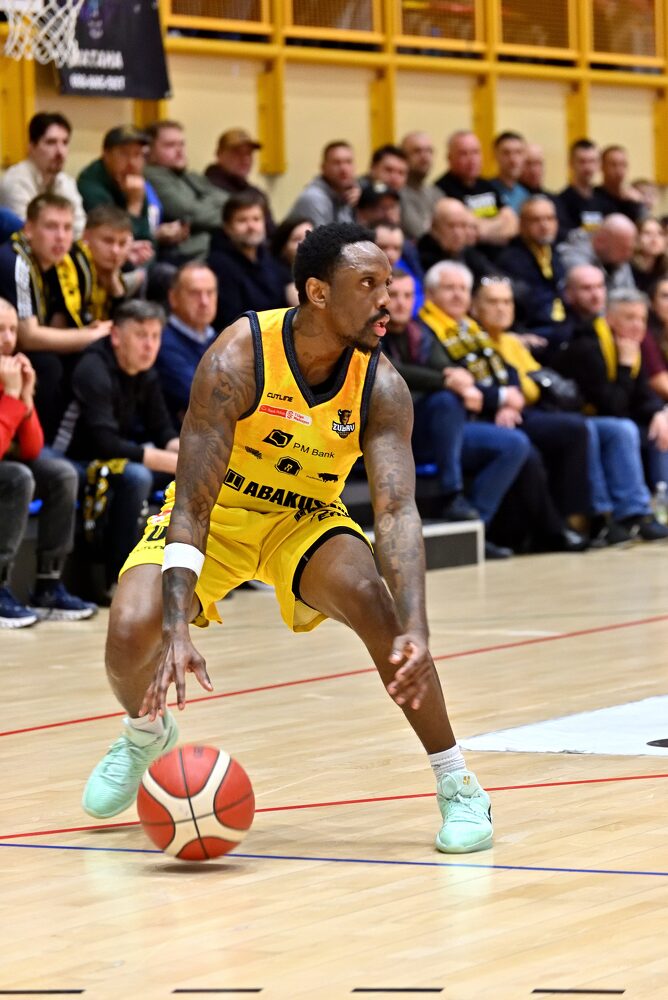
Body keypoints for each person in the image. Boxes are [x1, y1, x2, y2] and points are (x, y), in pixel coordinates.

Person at [81, 222, 494, 856]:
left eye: (388, 284)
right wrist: (177, 623)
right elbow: (191, 501)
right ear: (319, 293)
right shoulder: (238, 358)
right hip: (216, 514)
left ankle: (458, 782)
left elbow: (396, 512)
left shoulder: (382, 385)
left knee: (379, 611)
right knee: (132, 626)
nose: (386, 299)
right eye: (368, 284)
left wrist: (417, 622)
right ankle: (144, 734)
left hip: (304, 519)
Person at [384, 268, 527, 557]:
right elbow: (387, 369)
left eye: (408, 295)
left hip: (441, 430)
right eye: (394, 295)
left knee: (514, 444)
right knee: (445, 400)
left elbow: (448, 368)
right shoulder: (371, 331)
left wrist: (459, 381)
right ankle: (452, 493)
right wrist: (446, 380)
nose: (401, 303)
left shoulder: (420, 332)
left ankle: (476, 529)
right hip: (394, 432)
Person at [53, 300, 179, 590]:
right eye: (141, 335)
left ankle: (186, 572)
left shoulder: (145, 371)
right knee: (137, 477)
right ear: (116, 336)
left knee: (189, 472)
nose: (149, 345)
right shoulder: (93, 368)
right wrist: (171, 461)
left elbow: (162, 429)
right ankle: (118, 581)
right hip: (69, 457)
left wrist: (186, 454)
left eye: (155, 336)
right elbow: (105, 444)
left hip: (107, 456)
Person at [0, 298, 97, 627]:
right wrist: (11, 398)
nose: (8, 339)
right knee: (18, 477)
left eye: (12, 330)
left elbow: (31, 449)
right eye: (0, 330)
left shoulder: (9, 373)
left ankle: (48, 585)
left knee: (60, 473)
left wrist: (25, 396)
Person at [560, 273, 668, 536]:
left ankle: (661, 509)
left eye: (642, 319)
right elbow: (612, 405)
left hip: (609, 416)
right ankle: (632, 512)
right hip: (577, 418)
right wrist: (624, 367)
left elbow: (642, 395)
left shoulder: (629, 344)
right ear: (609, 318)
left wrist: (658, 412)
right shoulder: (588, 345)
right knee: (623, 429)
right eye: (629, 318)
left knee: (662, 426)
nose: (638, 325)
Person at [0, 193, 113, 442]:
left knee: (85, 358)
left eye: (67, 228)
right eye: (51, 227)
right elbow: (28, 337)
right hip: (8, 348)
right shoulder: (15, 261)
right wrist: (91, 335)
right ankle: (45, 443)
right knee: (48, 365)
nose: (61, 237)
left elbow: (60, 323)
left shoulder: (60, 262)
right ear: (29, 229)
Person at [497, 195, 572, 357]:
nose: (544, 225)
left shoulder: (556, 254)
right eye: (536, 220)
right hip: (534, 330)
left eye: (549, 219)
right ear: (522, 224)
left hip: (561, 325)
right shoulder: (510, 260)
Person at [144, 120, 228, 263]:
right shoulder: (152, 176)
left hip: (210, 250)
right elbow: (192, 213)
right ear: (149, 151)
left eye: (181, 144)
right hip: (183, 256)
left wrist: (203, 204)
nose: (179, 151)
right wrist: (229, 216)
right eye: (170, 145)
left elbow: (228, 200)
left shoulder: (188, 175)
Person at [207, 191, 289, 330]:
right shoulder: (219, 265)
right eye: (242, 220)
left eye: (256, 219)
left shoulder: (269, 258)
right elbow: (232, 321)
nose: (251, 226)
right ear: (227, 228)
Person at [0, 112, 87, 239]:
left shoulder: (66, 181)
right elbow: (29, 234)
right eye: (51, 142)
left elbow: (80, 228)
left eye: (65, 143)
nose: (60, 152)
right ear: (31, 147)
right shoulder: (15, 182)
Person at [434, 130, 518, 254]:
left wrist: (482, 229)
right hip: (469, 256)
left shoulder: (486, 185)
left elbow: (512, 224)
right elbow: (468, 233)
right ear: (449, 158)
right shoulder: (441, 190)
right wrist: (498, 225)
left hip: (502, 255)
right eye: (464, 154)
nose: (471, 159)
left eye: (475, 152)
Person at [156, 262, 218, 427]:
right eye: (194, 293)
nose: (204, 301)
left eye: (210, 292)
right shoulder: (162, 342)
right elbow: (203, 398)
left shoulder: (221, 339)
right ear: (173, 298)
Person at [204, 127, 274, 229]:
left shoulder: (256, 194)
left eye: (249, 153)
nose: (245, 159)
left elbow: (271, 232)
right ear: (219, 155)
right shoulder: (204, 189)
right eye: (237, 153)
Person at [557, 213, 637, 292]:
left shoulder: (619, 259)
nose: (628, 255)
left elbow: (630, 294)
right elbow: (592, 297)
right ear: (600, 241)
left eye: (630, 249)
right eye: (623, 249)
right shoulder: (574, 257)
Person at [289, 141, 360, 227]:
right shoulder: (314, 198)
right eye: (336, 163)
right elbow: (323, 235)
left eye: (348, 162)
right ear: (323, 167)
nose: (344, 168)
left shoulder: (350, 193)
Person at [555, 139, 606, 235]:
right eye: (582, 161)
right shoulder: (560, 202)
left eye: (592, 161)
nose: (587, 167)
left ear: (599, 164)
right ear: (571, 163)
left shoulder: (605, 199)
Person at [399, 130, 443, 240]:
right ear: (403, 157)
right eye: (417, 151)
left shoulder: (436, 193)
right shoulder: (397, 194)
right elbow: (418, 233)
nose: (424, 157)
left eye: (429, 151)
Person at [595, 145, 644, 224]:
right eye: (613, 165)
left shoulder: (633, 199)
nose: (619, 170)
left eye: (623, 165)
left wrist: (640, 204)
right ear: (602, 167)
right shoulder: (593, 197)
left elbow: (646, 226)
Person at [489, 131, 530, 214]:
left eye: (518, 152)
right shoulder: (486, 193)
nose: (513, 159)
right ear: (495, 156)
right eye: (506, 153)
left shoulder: (526, 195)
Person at [631, 217, 668, 293]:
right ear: (637, 238)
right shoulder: (627, 269)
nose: (654, 239)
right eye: (647, 233)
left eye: (660, 233)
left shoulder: (664, 270)